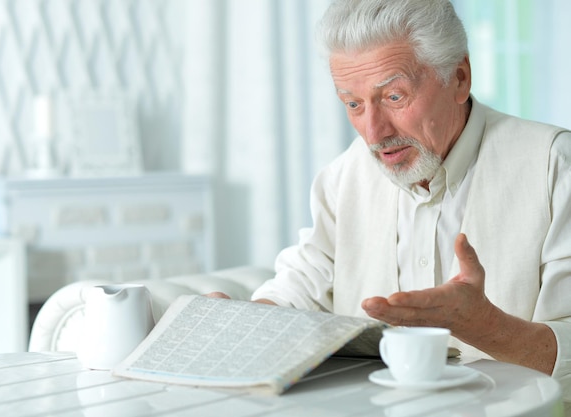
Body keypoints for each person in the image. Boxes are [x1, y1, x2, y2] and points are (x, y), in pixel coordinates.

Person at [212, 0, 571, 399]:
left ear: (459, 78)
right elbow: (301, 285)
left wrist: (484, 325)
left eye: (394, 97)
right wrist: (242, 324)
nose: (374, 132)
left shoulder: (555, 166)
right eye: (353, 104)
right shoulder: (342, 177)